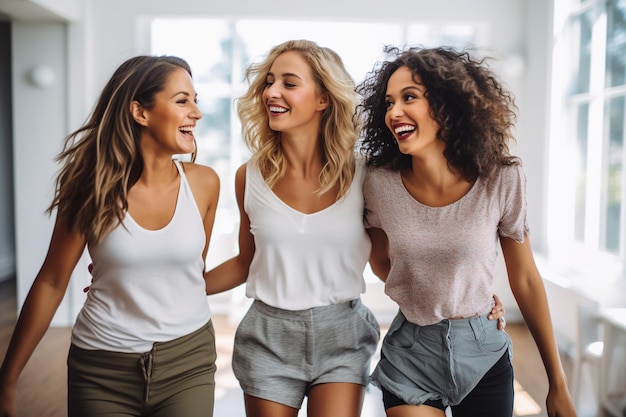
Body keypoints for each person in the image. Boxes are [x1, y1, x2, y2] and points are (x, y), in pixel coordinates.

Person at [203, 40, 505, 417]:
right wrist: (183, 288)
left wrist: (467, 303)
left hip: (342, 333)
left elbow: (388, 259)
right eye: (268, 82)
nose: (271, 92)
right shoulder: (248, 177)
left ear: (323, 99)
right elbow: (246, 262)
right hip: (268, 333)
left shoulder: (367, 176)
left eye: (289, 83)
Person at [356, 45, 577, 417]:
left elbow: (524, 279)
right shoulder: (378, 182)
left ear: (447, 104)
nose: (394, 112)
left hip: (484, 353)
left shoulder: (501, 178)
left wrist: (558, 384)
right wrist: (440, 291)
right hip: (410, 353)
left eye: (409, 97)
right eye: (389, 102)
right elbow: (381, 261)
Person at [0, 55, 220, 417]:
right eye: (182, 100)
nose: (196, 112)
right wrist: (8, 379)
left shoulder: (205, 184)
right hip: (102, 366)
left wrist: (134, 280)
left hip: (189, 362)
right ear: (140, 112)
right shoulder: (90, 188)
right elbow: (52, 281)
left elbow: (191, 273)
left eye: (195, 100)